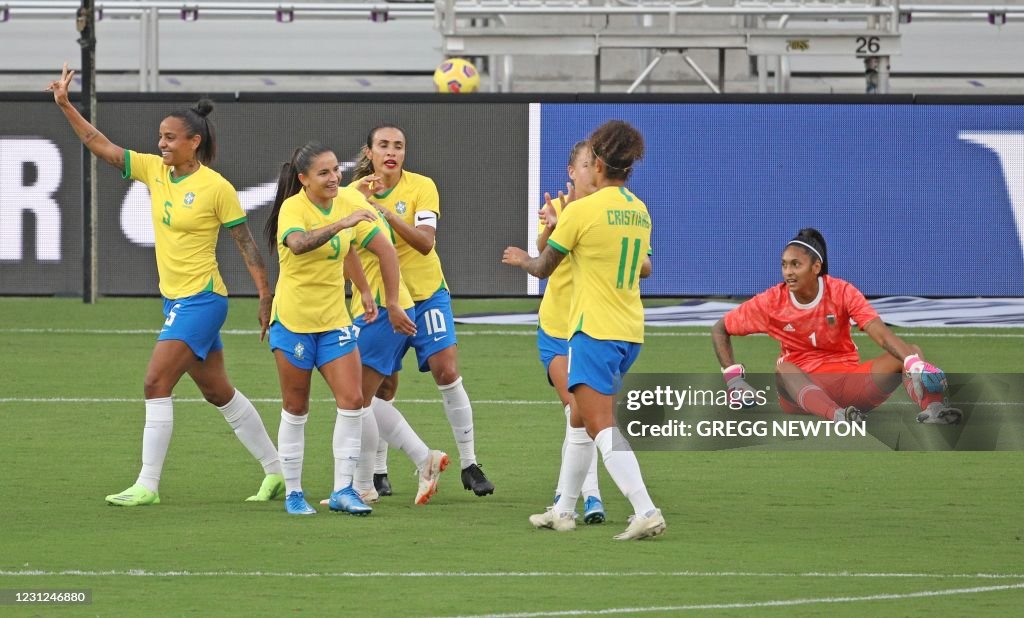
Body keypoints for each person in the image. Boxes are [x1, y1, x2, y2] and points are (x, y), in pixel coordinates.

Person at [48, 63, 284, 507]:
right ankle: (277, 472)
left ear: (195, 142)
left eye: (170, 137)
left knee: (156, 382)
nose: (161, 143)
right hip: (175, 299)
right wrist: (66, 105)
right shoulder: (155, 171)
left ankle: (147, 484)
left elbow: (246, 244)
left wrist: (265, 295)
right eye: (160, 136)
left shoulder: (216, 188)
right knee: (218, 391)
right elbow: (100, 146)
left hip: (203, 300)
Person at [503, 119, 665, 541]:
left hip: (593, 329)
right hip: (630, 329)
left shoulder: (581, 211)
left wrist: (521, 259)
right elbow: (644, 266)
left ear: (596, 163)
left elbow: (543, 267)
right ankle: (563, 509)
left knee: (599, 424)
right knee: (578, 420)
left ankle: (645, 509)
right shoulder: (638, 208)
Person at [263, 141, 415, 515]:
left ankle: (344, 490)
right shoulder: (292, 208)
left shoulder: (350, 202)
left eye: (336, 170)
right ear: (303, 179)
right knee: (296, 407)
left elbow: (383, 250)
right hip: (295, 322)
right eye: (324, 173)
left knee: (352, 401)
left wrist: (378, 296)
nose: (335, 178)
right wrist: (342, 224)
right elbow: (299, 245)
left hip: (334, 321)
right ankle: (294, 493)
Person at [350, 124, 495, 497]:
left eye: (398, 145)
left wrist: (383, 212)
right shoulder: (352, 195)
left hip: (427, 293)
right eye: (382, 145)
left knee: (445, 370)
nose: (391, 152)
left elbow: (425, 243)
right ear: (369, 152)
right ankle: (378, 473)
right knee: (383, 385)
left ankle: (469, 463)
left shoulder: (421, 187)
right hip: (382, 302)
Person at [710, 228, 961, 425]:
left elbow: (878, 331)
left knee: (910, 350)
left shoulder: (841, 292)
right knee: (784, 368)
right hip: (799, 393)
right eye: (784, 264)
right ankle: (838, 417)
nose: (788, 272)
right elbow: (720, 328)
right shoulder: (771, 302)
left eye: (796, 264)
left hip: (849, 384)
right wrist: (733, 380)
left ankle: (934, 410)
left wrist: (912, 363)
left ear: (816, 267)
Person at [535, 141, 606, 524]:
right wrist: (550, 227)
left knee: (582, 413)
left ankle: (570, 495)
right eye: (584, 165)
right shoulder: (558, 209)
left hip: (593, 328)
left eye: (596, 165)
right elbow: (542, 252)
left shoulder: (608, 212)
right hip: (557, 329)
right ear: (570, 171)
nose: (591, 172)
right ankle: (589, 497)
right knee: (576, 410)